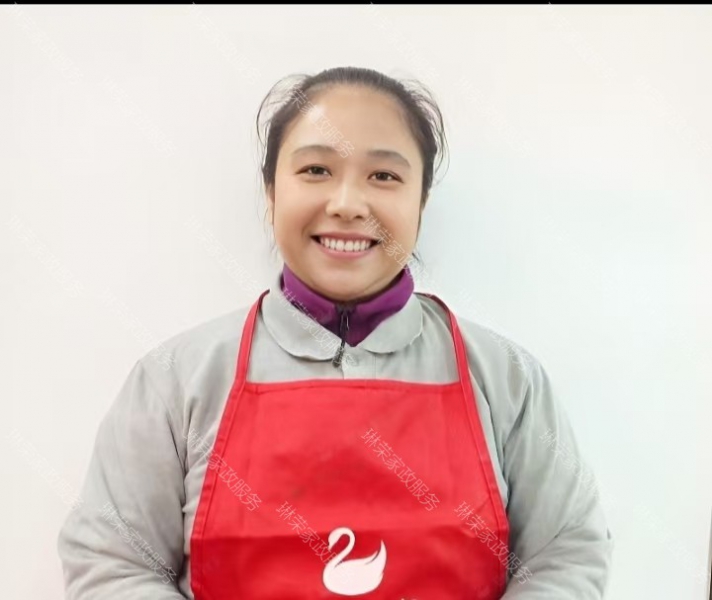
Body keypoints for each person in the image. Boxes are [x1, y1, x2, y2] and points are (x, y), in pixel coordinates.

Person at [58, 65, 613, 599]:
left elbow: (565, 551)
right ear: (271, 193)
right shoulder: (175, 380)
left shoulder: (507, 379)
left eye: (384, 176)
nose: (347, 204)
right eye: (316, 170)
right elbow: (112, 561)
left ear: (420, 203)